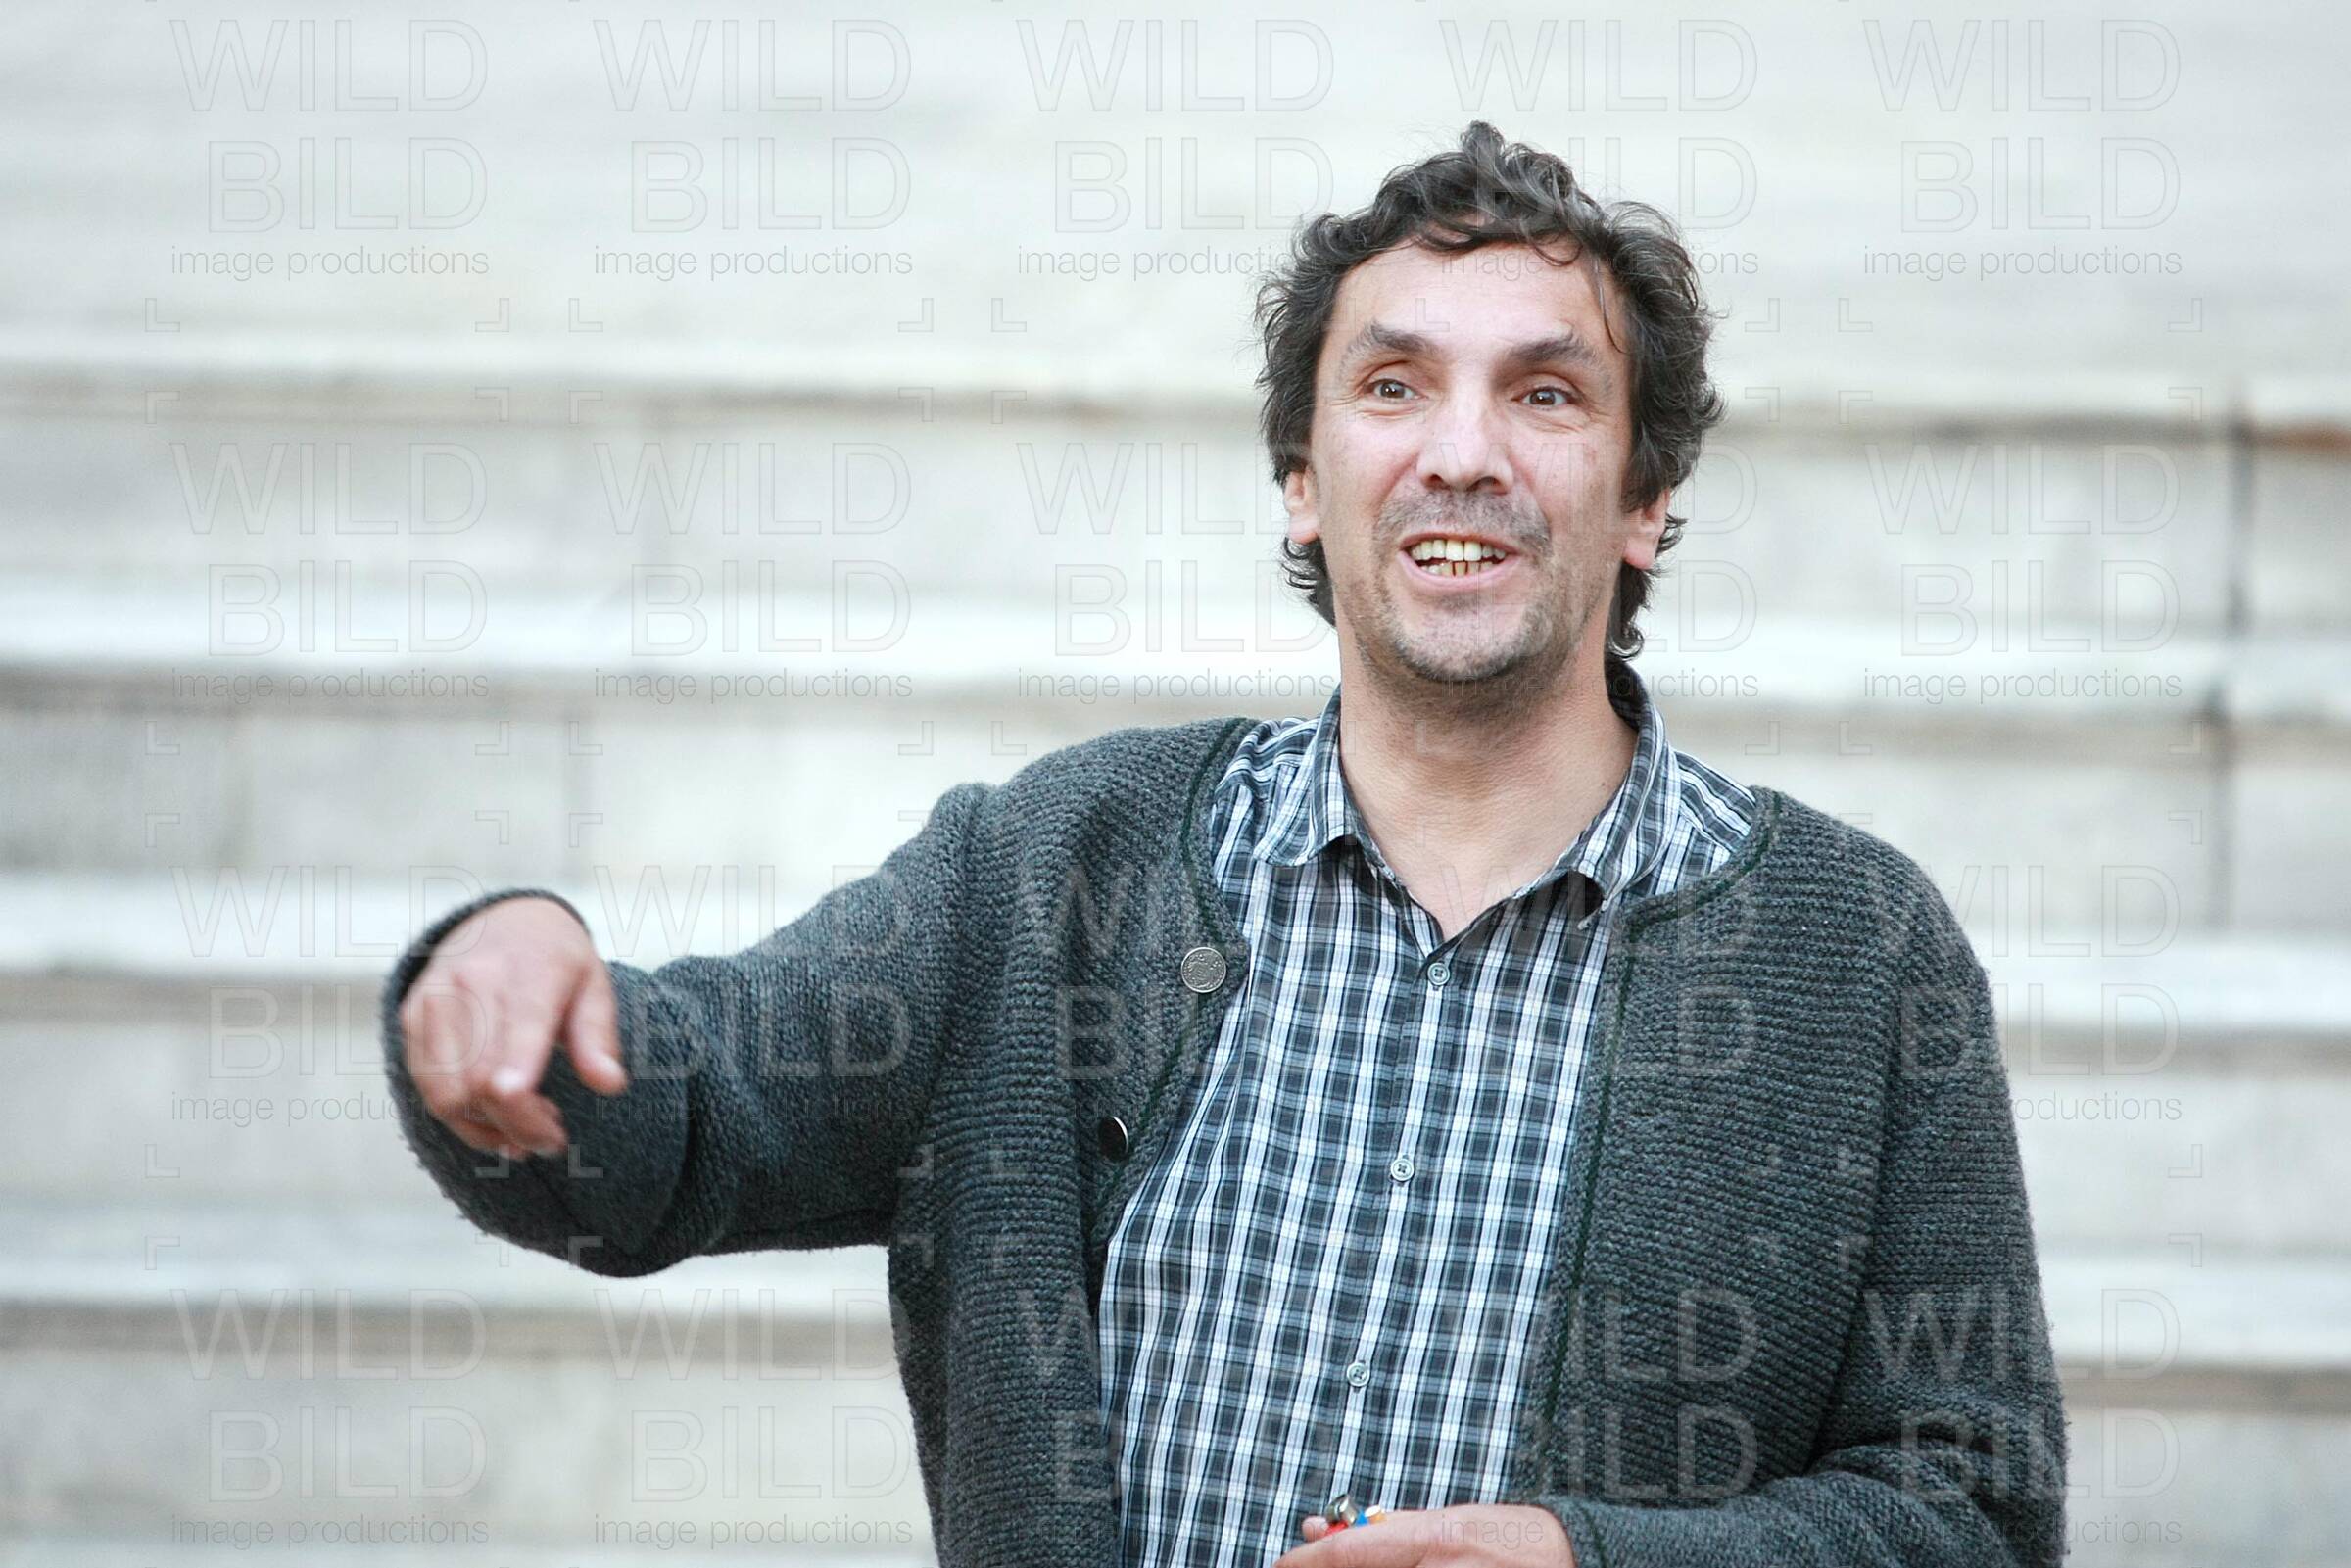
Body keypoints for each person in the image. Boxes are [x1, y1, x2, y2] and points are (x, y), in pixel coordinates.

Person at [384, 121, 2068, 1568]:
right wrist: (509, 971)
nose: (1461, 453)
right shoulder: (1055, 872)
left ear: (1645, 497)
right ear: (1303, 480)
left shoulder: (1856, 947)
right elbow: (682, 1113)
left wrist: (1595, 1555)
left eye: (1545, 393)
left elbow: (1975, 1506)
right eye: (1393, 385)